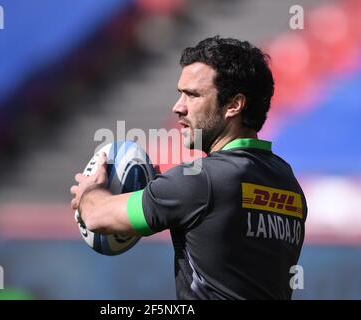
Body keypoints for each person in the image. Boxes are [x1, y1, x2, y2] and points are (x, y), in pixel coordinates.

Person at [70, 35, 307, 300]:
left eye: (192, 95)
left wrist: (89, 193)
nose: (178, 107)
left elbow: (98, 217)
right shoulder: (288, 183)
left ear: (234, 105)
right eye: (180, 94)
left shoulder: (201, 180)